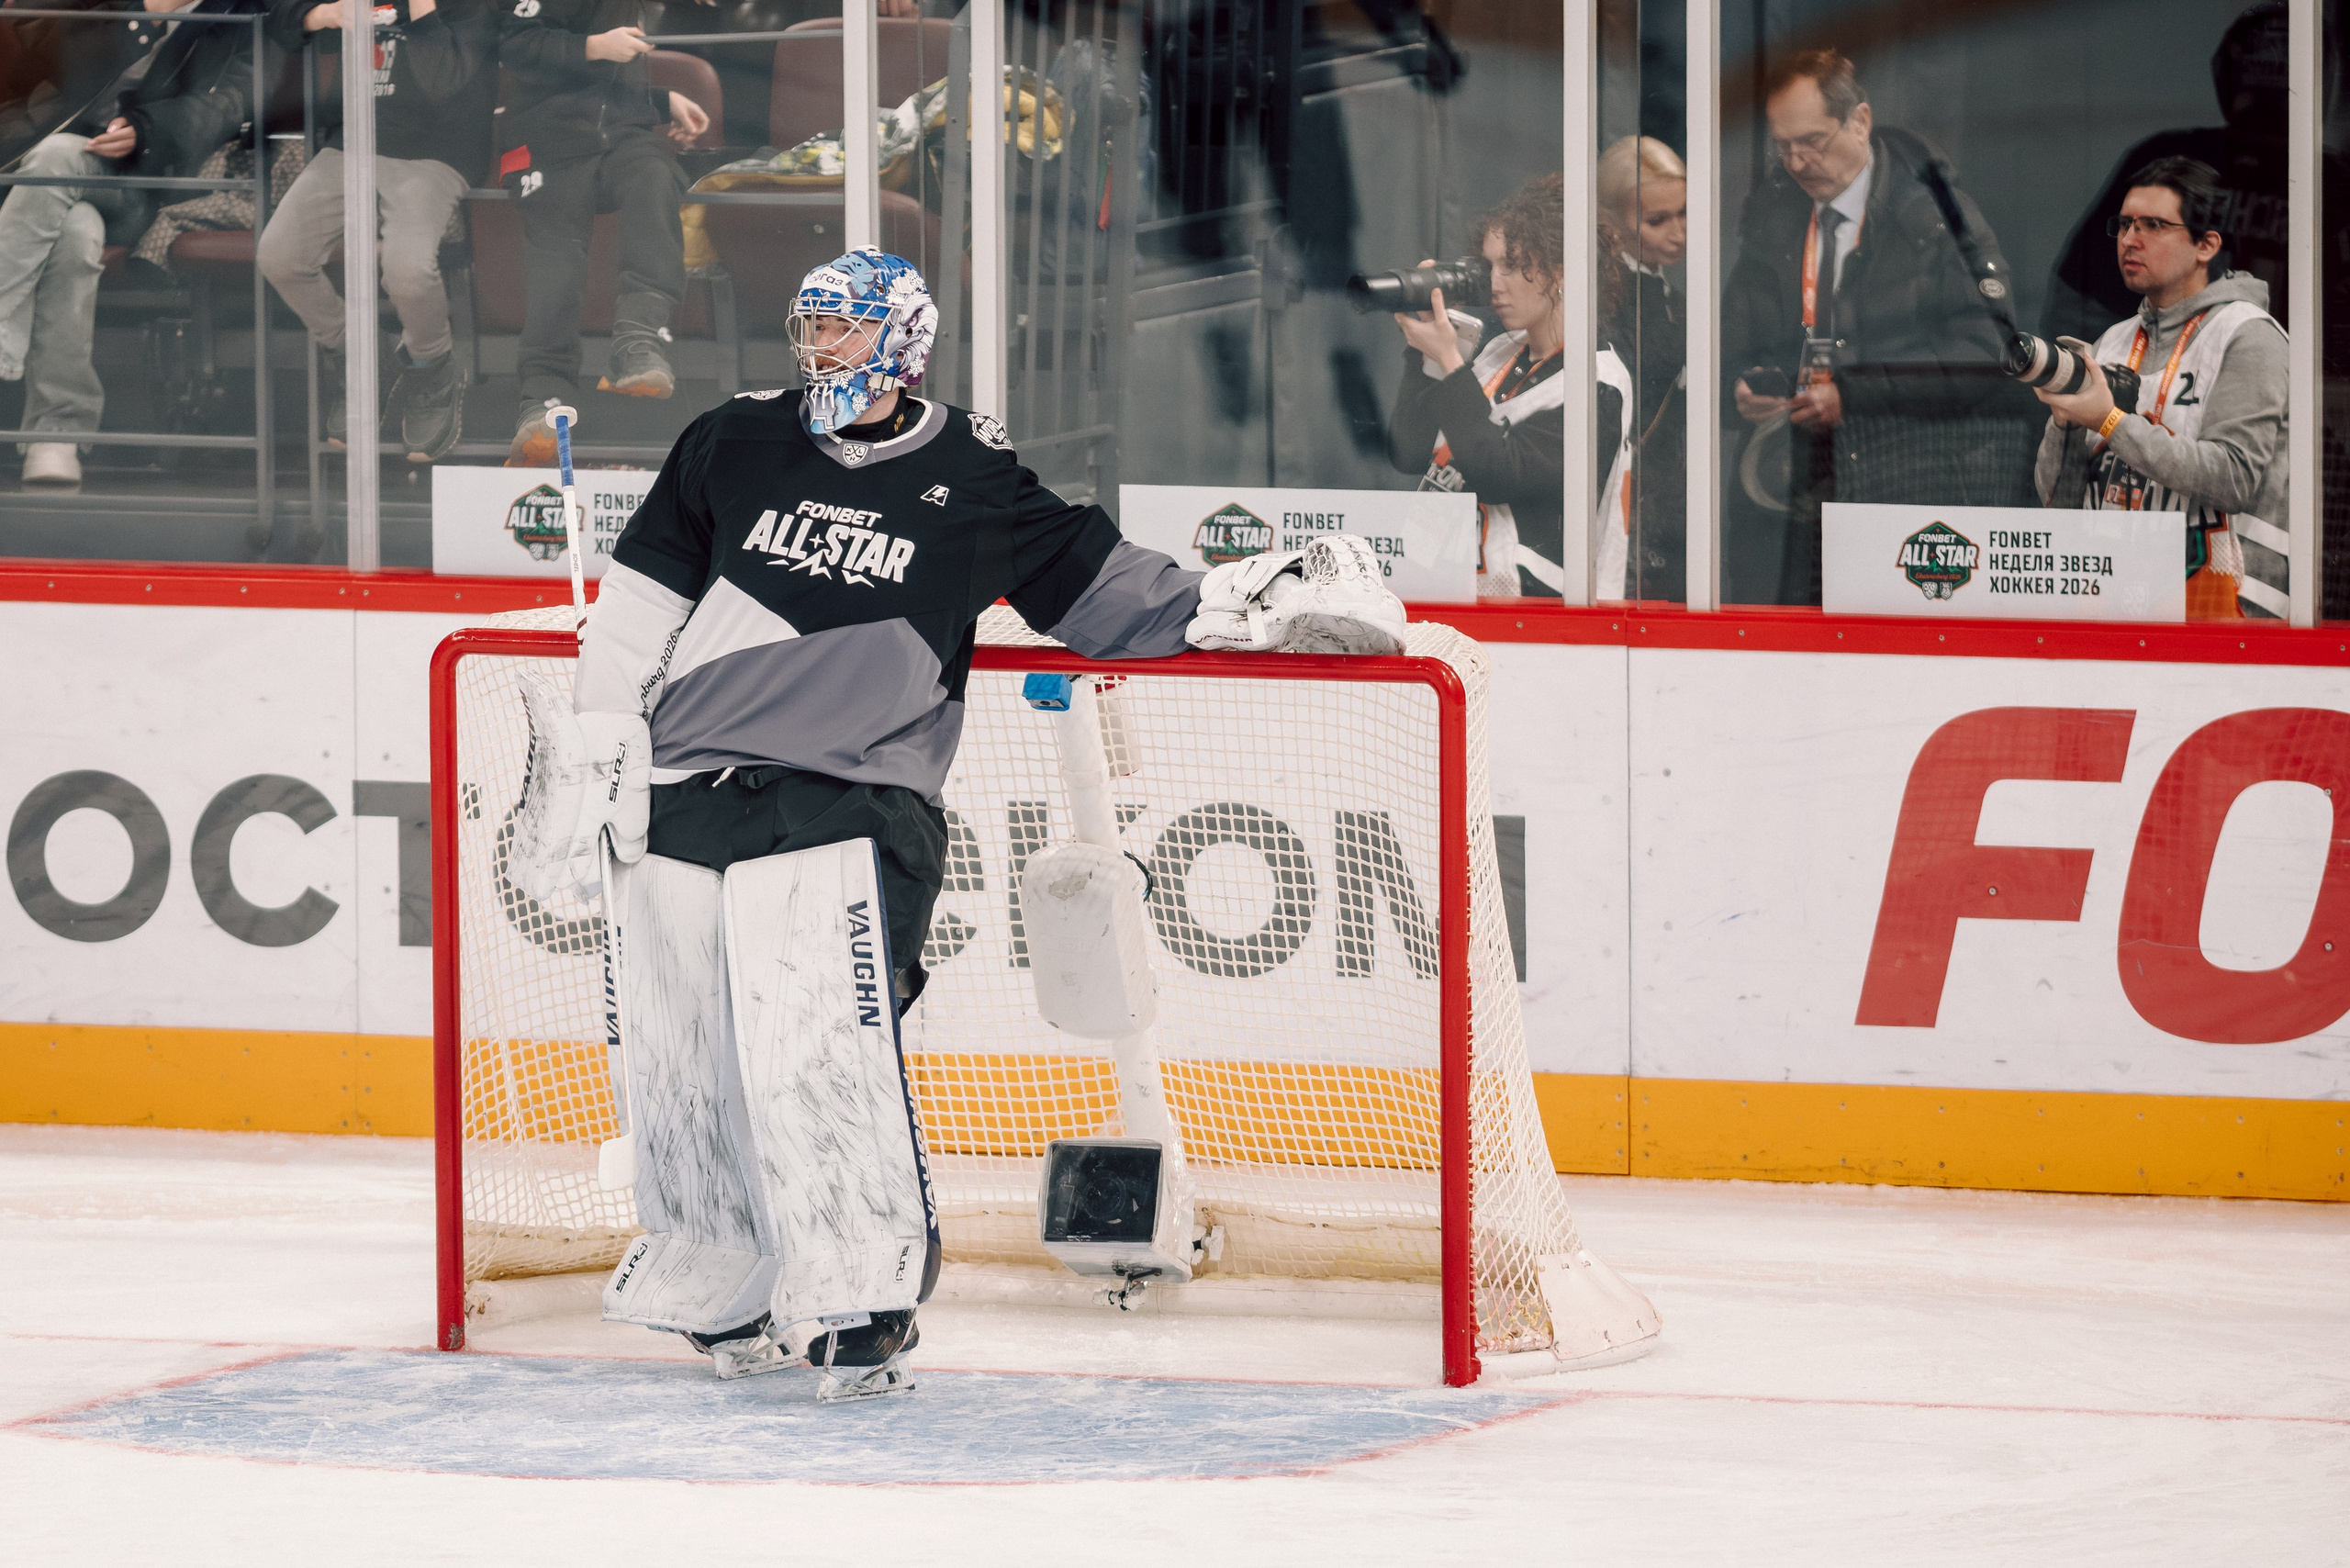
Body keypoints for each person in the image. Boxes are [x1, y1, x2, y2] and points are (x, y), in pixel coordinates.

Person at [509, 249, 1406, 1392]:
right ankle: (720, 1275)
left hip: (854, 796)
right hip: (690, 787)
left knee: (818, 1044)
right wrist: (595, 757)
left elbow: (1108, 593)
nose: (818, 348)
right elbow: (636, 617)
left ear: (901, 343)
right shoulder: (729, 440)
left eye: (842, 329)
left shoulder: (972, 476)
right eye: (811, 325)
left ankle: (860, 1296)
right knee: (687, 1057)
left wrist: (1262, 603)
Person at [1723, 49, 2033, 605]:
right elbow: (1729, 339)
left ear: (1860, 121)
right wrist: (1741, 385)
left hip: (1899, 492)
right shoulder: (1771, 216)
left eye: (1813, 141)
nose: (1797, 162)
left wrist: (1856, 395)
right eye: (1783, 146)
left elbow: (1991, 350)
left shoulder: (1934, 215)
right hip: (1782, 496)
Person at [0, 0, 274, 487]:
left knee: (56, 159)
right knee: (75, 231)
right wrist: (139, 18)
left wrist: (145, 132)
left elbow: (230, 106)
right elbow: (43, 68)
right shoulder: (108, 7)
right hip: (45, 189)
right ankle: (57, 433)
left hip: (143, 190)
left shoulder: (238, 16)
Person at [2033, 157, 2288, 621]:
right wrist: (2064, 424)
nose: (2131, 239)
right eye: (2126, 224)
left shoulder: (2247, 334)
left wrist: (2109, 421)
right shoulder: (2112, 341)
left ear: (2207, 244)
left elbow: (2232, 479)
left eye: (2154, 224)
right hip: (2115, 608)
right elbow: (2060, 501)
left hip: (2230, 621)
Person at [260, 0, 498, 462]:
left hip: (438, 150)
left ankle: (433, 368)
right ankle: (361, 356)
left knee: (406, 270)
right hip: (355, 143)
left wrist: (423, 11)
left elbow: (443, 80)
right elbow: (280, 23)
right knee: (279, 254)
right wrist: (324, 15)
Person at [1385, 173, 1618, 599]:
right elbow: (1409, 450)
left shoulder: (1599, 382)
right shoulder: (1500, 352)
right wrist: (1427, 359)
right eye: (1488, 266)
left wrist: (1451, 362)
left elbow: (1498, 473)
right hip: (1454, 586)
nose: (1493, 283)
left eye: (1510, 266)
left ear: (1560, 272)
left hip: (1544, 611)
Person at [497, 0, 709, 465]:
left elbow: (605, 86)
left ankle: (639, 339)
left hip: (619, 139)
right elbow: (514, 43)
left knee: (655, 176)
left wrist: (658, 101)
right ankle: (541, 399)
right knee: (558, 261)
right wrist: (595, 46)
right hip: (545, 143)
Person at [1597, 133, 1686, 600]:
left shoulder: (1671, 297)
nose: (1678, 232)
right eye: (1657, 220)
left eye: (1685, 212)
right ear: (1612, 223)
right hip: (1631, 499)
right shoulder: (1609, 302)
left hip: (1677, 498)